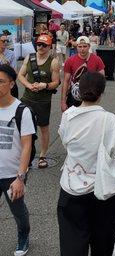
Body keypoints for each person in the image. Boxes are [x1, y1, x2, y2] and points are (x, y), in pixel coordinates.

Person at [57, 71, 115, 256]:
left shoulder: (68, 116)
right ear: (101, 93)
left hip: (71, 187)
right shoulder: (108, 119)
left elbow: (65, 141)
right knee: (103, 240)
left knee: (72, 239)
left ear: (79, 90)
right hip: (103, 190)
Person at [0, 64, 35, 256]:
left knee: (18, 211)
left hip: (12, 174)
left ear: (12, 83)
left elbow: (27, 145)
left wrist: (20, 177)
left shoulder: (22, 111)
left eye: (1, 81)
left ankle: (24, 235)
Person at [18, 34, 60, 169]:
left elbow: (56, 82)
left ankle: (42, 155)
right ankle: (24, 153)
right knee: (23, 127)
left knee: (43, 128)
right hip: (27, 98)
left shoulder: (53, 61)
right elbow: (20, 75)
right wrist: (29, 85)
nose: (40, 47)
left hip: (43, 100)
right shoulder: (29, 58)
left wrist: (45, 85)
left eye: (44, 45)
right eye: (39, 44)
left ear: (49, 47)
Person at [61, 36, 105, 111]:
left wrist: (98, 96)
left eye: (85, 46)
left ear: (89, 46)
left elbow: (101, 79)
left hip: (91, 95)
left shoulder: (97, 60)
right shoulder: (70, 60)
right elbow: (66, 81)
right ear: (76, 47)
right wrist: (63, 101)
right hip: (74, 94)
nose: (82, 49)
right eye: (80, 46)